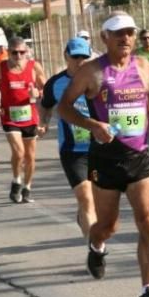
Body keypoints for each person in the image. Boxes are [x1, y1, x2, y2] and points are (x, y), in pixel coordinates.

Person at [57, 13, 149, 297]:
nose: (126, 39)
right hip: (105, 160)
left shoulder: (143, 66)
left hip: (138, 156)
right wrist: (91, 123)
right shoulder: (91, 72)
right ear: (104, 37)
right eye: (119, 34)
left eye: (130, 33)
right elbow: (64, 107)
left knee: (147, 219)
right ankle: (96, 245)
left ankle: (148, 291)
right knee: (107, 226)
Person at [39, 37, 96, 238]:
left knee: (95, 200)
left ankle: (84, 219)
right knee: (86, 198)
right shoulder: (55, 83)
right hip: (73, 152)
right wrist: (43, 122)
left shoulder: (98, 80)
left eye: (84, 57)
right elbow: (44, 105)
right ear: (66, 56)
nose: (80, 61)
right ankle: (95, 249)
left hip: (98, 149)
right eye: (76, 57)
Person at [0, 37, 47, 203]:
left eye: (22, 52)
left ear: (26, 52)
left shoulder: (34, 66)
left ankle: (27, 186)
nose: (18, 55)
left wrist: (39, 93)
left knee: (30, 156)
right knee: (18, 152)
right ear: (9, 52)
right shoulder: (1, 68)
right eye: (14, 52)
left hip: (30, 117)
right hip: (10, 117)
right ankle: (16, 180)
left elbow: (45, 87)